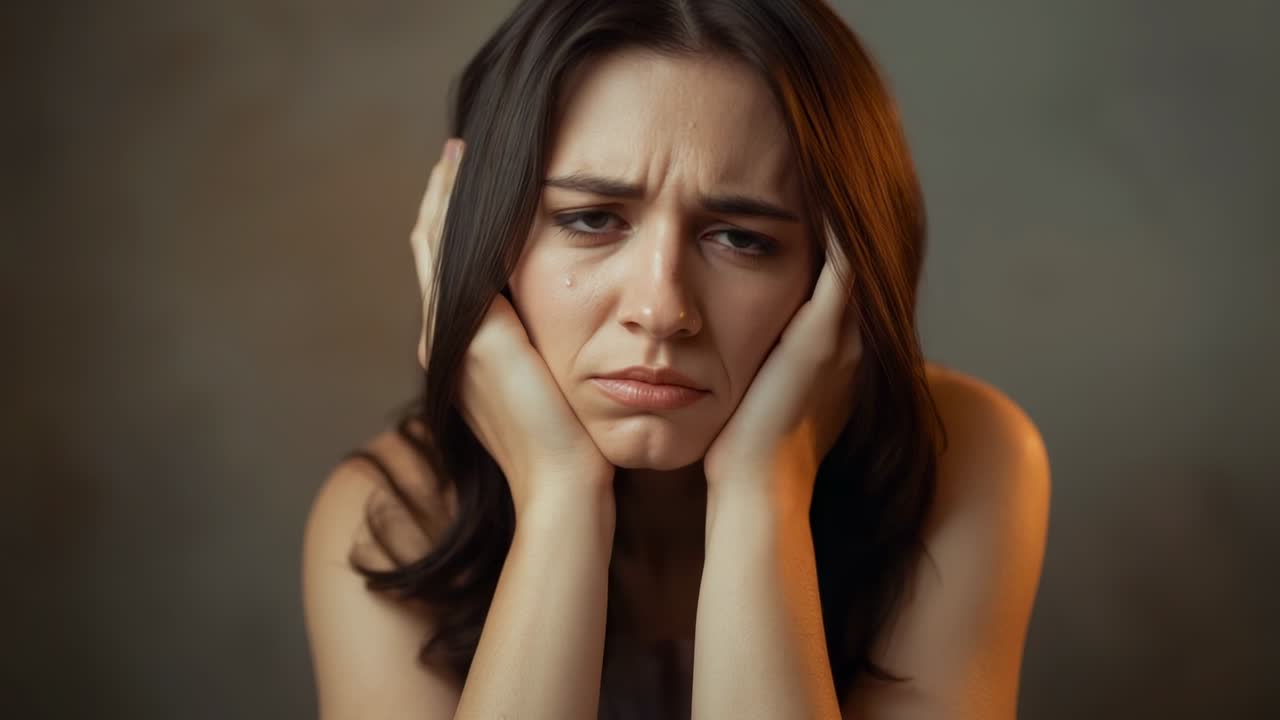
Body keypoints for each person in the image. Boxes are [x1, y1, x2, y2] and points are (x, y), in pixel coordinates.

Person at [302, 1, 1050, 718]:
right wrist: (561, 497)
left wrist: (765, 489)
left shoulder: (964, 458)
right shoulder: (393, 516)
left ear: (837, 274)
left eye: (741, 238)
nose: (661, 310)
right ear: (480, 241)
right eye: (591, 219)